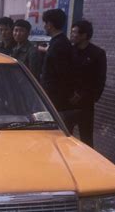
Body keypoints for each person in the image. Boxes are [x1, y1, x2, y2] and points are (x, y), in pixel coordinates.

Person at [67, 19, 107, 147]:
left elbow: (99, 79)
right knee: (65, 135)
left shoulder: (97, 53)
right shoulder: (69, 51)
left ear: (84, 35)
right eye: (72, 32)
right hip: (67, 101)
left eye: (75, 32)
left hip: (85, 103)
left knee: (86, 137)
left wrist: (86, 96)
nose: (72, 35)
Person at [40, 9, 74, 112]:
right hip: (55, 95)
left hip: (55, 97)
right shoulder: (59, 42)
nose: (44, 26)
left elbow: (61, 73)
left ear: (50, 24)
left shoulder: (58, 44)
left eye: (45, 23)